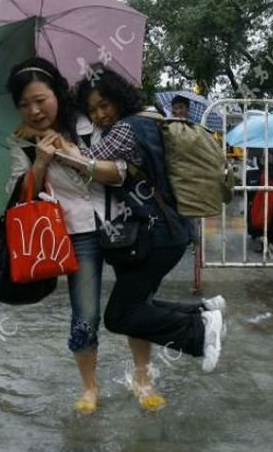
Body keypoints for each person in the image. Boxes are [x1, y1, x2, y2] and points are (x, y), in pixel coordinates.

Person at [69, 66, 227, 409]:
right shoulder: (153, 118)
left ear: (119, 98)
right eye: (92, 110)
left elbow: (84, 163)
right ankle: (201, 310)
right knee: (138, 304)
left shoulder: (127, 128)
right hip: (171, 230)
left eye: (104, 104)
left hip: (153, 235)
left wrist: (56, 148)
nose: (99, 115)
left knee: (118, 316)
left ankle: (199, 329)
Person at [5, 57, 128, 415]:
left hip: (121, 223)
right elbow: (20, 192)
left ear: (56, 92)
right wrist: (41, 162)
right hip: (76, 233)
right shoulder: (20, 142)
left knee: (137, 301)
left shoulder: (90, 120)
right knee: (85, 313)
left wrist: (71, 155)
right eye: (25, 104)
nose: (34, 110)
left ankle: (142, 374)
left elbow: (119, 172)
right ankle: (90, 387)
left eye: (40, 99)